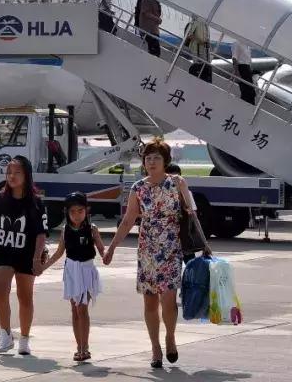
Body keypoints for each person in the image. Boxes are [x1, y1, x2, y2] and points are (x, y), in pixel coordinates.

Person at [104, 139, 194, 369]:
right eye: (148, 158)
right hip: (147, 250)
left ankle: (170, 336)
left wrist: (203, 244)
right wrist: (112, 247)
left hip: (171, 248)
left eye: (157, 158)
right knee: (150, 301)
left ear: (166, 162)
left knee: (169, 299)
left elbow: (192, 215)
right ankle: (155, 347)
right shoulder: (138, 188)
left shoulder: (177, 183)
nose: (151, 162)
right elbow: (127, 220)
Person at [0, 155, 47, 356]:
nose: (12, 176)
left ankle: (24, 338)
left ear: (26, 175)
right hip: (4, 252)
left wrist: (36, 258)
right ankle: (5, 335)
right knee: (0, 293)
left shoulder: (36, 203)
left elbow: (41, 234)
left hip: (26, 255)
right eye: (9, 172)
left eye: (17, 172)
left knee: (25, 297)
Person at [43, 192, 105, 362]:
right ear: (67, 212)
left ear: (87, 210)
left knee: (82, 309)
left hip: (86, 270)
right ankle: (79, 347)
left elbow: (102, 250)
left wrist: (108, 254)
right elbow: (58, 253)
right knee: (74, 310)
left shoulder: (92, 230)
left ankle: (85, 348)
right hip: (70, 270)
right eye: (73, 212)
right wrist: (43, 267)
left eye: (80, 211)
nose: (77, 215)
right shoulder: (65, 230)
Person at [165, 163, 207, 264]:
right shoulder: (159, 194)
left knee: (190, 267)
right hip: (166, 241)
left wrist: (204, 242)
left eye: (177, 178)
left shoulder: (187, 194)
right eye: (171, 178)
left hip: (184, 239)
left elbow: (194, 217)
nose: (175, 182)